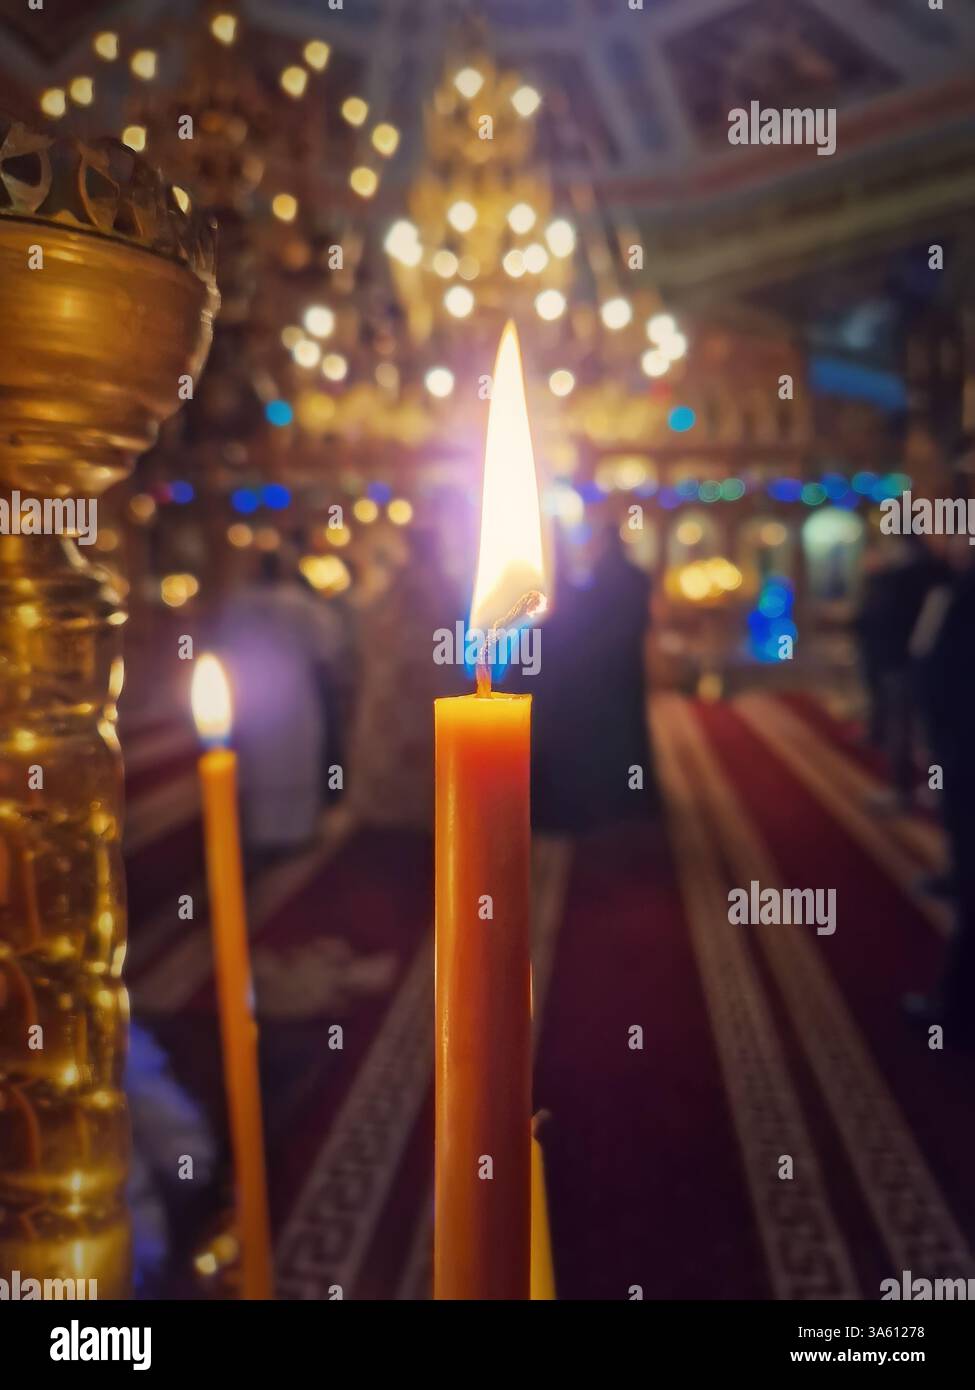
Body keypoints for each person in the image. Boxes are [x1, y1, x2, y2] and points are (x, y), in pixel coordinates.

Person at [217, 550, 344, 859]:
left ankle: (262, 833)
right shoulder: (301, 604)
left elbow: (223, 646)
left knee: (262, 763)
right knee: (293, 760)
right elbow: (327, 649)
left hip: (254, 695)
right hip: (295, 695)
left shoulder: (239, 603)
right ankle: (297, 831)